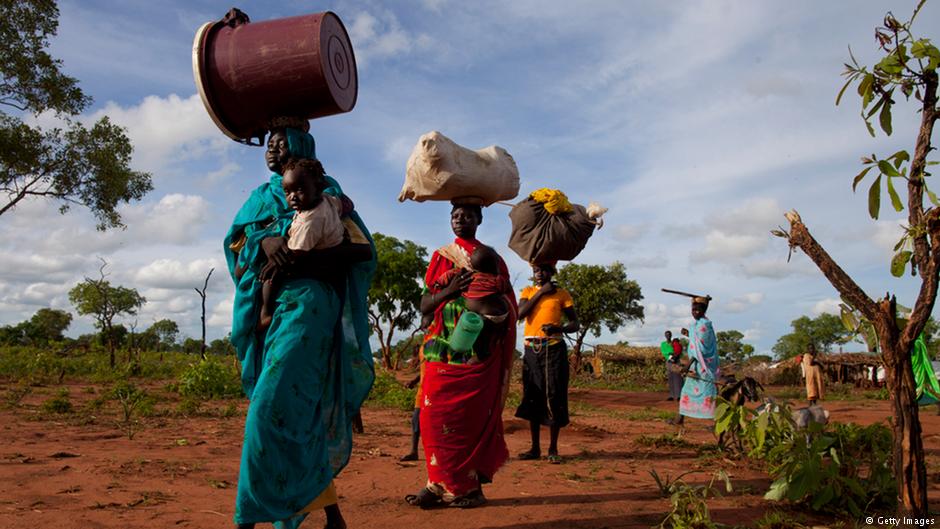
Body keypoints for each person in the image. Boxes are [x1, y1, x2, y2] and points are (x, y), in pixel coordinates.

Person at [224, 126, 375, 529]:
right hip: (270, 313)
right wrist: (263, 242)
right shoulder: (260, 198)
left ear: (302, 147)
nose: (273, 149)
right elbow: (237, 246)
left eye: (282, 141)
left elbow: (361, 251)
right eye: (269, 142)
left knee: (269, 409)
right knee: (299, 412)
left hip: (309, 310)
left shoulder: (328, 196)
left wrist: (297, 256)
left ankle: (248, 517)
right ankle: (331, 514)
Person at [404, 202, 517, 509]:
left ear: (479, 219)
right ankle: (437, 484)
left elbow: (506, 302)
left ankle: (470, 489)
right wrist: (450, 290)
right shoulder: (442, 257)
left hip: (476, 358)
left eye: (468, 215)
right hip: (441, 351)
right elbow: (426, 304)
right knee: (432, 417)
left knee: (469, 420)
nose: (460, 220)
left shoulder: (492, 258)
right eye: (455, 215)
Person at [257, 157, 345, 331]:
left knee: (270, 274)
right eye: (287, 192)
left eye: (299, 190)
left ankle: (265, 312)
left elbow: (296, 253)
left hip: (315, 258)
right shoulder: (326, 199)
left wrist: (275, 262)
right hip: (330, 243)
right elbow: (341, 205)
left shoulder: (310, 221)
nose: (293, 197)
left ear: (318, 188)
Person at [515, 262, 580, 463]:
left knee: (554, 395)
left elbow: (575, 323)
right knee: (533, 394)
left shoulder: (562, 294)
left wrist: (558, 328)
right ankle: (535, 448)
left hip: (554, 349)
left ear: (551, 272)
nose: (539, 274)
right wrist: (541, 293)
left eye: (543, 270)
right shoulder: (527, 291)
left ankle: (553, 449)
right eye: (536, 271)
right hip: (532, 350)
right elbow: (520, 314)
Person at [672, 296, 719, 427]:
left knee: (708, 393)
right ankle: (679, 418)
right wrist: (688, 334)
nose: (694, 312)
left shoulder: (704, 325)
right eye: (693, 310)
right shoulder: (698, 324)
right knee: (686, 391)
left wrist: (688, 365)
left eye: (697, 310)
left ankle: (716, 421)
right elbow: (696, 339)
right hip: (695, 366)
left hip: (703, 367)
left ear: (703, 311)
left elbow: (701, 350)